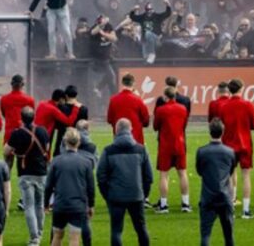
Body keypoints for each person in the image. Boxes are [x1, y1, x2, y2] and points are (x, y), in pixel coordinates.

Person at [97, 119, 153, 246]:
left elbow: (101, 176)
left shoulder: (108, 151)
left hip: (116, 196)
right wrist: (144, 194)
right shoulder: (141, 150)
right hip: (136, 195)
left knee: (116, 230)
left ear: (116, 131)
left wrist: (107, 195)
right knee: (141, 228)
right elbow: (148, 176)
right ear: (131, 129)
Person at [4, 107, 50, 246]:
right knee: (40, 204)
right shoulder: (42, 130)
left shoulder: (17, 133)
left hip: (25, 172)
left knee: (29, 206)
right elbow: (47, 148)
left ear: (21, 118)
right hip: (41, 172)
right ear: (34, 117)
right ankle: (40, 233)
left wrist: (18, 153)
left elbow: (6, 151)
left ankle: (34, 238)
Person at [45, 128, 96, 246]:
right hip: (77, 205)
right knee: (74, 237)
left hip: (60, 203)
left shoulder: (56, 161)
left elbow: (49, 185)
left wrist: (46, 203)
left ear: (65, 142)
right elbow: (90, 187)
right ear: (78, 142)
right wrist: (91, 205)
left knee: (57, 235)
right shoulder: (86, 162)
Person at [219, 78, 254, 218]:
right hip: (245, 144)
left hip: (229, 145)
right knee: (246, 176)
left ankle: (230, 207)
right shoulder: (248, 105)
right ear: (241, 89)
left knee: (229, 176)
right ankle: (246, 210)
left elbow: (221, 125)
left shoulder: (224, 106)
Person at [196, 118, 237, 246]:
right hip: (225, 197)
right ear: (223, 132)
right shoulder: (230, 152)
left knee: (205, 234)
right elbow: (230, 171)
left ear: (209, 132)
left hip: (208, 197)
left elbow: (199, 171)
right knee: (228, 235)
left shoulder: (202, 151)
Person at [153, 85, 190, 213]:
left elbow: (156, 126)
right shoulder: (183, 109)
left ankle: (163, 205)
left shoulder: (161, 110)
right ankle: (185, 203)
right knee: (183, 173)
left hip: (165, 145)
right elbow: (184, 125)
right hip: (179, 144)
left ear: (165, 96)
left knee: (164, 175)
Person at [106, 73, 150, 145]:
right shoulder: (138, 100)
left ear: (122, 83)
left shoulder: (113, 99)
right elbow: (146, 120)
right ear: (133, 83)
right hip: (136, 140)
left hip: (118, 139)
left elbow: (109, 119)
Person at [0, 74, 35, 147]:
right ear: (22, 85)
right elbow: (31, 116)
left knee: (8, 157)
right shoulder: (30, 100)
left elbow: (4, 114)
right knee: (22, 157)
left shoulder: (4, 99)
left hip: (9, 133)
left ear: (11, 84)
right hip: (24, 133)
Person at [53, 85, 89, 154]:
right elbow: (85, 127)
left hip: (62, 140)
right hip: (77, 141)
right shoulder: (84, 109)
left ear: (66, 96)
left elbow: (56, 126)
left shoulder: (60, 108)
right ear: (76, 95)